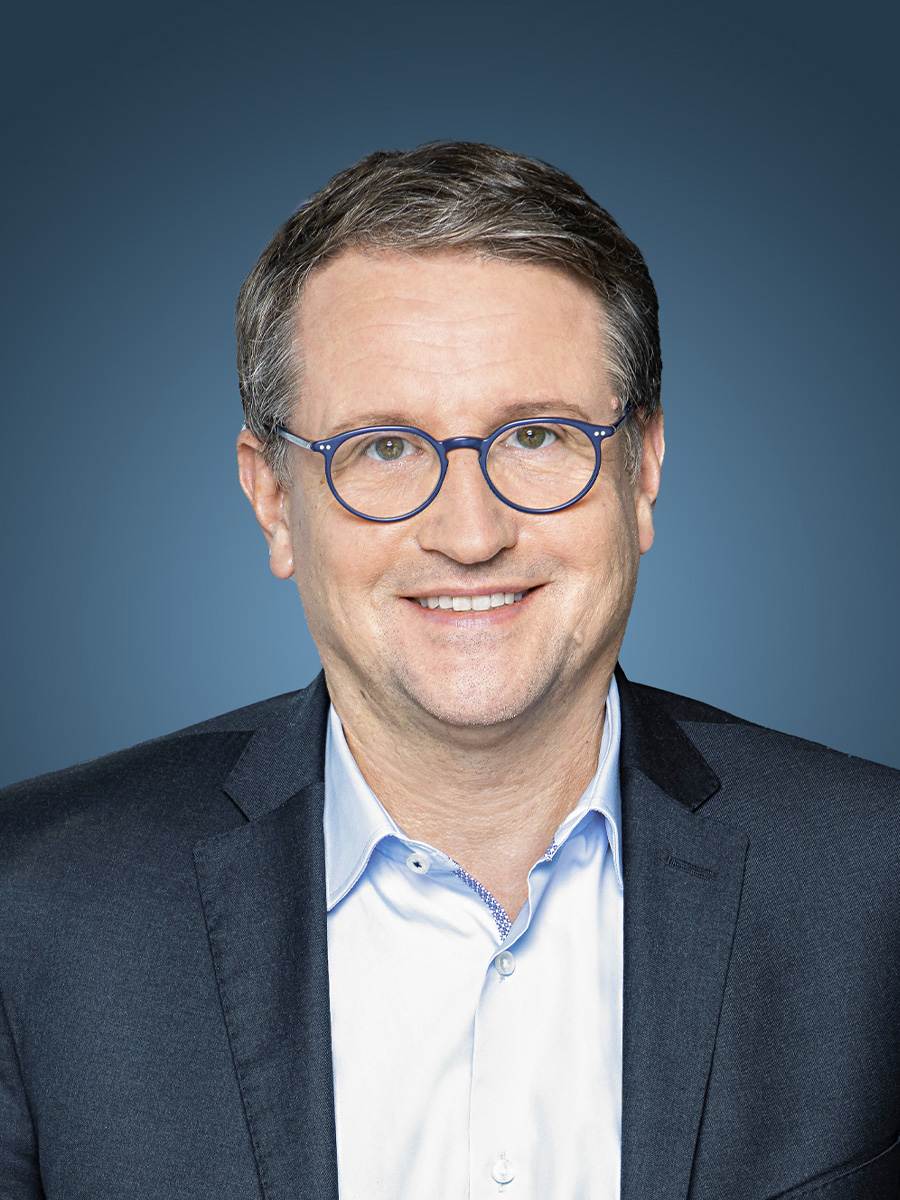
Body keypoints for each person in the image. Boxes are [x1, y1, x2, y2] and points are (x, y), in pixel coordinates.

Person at [0, 142, 897, 1200]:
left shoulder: (876, 884)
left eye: (535, 436)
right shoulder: (30, 909)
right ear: (274, 500)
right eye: (384, 448)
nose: (470, 534)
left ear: (643, 470)